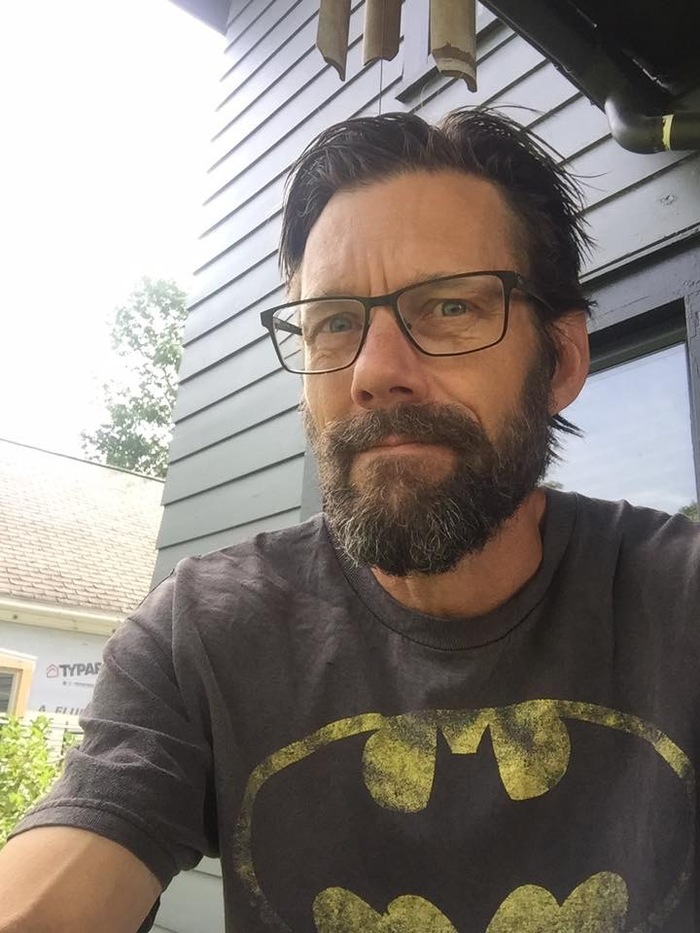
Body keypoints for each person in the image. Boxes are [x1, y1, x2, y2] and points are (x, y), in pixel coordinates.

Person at [1, 108, 698, 933]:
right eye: (334, 322)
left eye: (448, 306)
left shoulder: (679, 602)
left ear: (563, 362)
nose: (373, 372)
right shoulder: (207, 633)